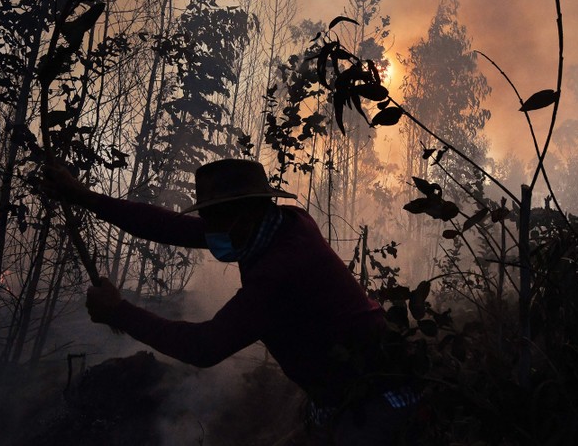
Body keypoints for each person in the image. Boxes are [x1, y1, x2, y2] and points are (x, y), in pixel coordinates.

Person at [45, 158, 419, 444]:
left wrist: (119, 313)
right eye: (206, 217)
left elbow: (205, 347)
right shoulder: (278, 224)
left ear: (249, 210)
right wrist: (84, 196)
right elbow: (168, 226)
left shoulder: (280, 269)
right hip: (340, 397)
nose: (208, 229)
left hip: (373, 405)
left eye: (215, 217)